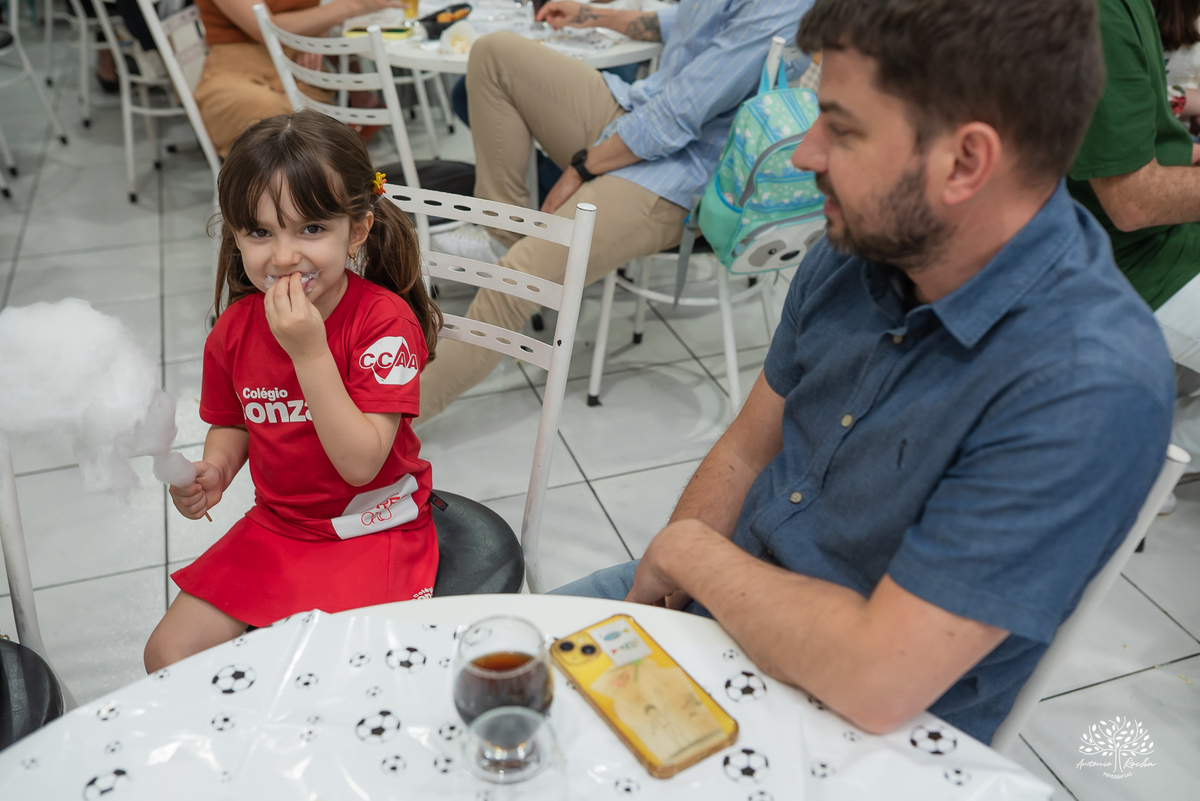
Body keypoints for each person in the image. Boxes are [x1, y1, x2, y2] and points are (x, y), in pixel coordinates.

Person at [552, 0, 1176, 745]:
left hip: (857, 728)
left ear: (965, 161)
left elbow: (878, 678)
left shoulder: (1085, 380)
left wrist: (688, 552)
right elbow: (750, 445)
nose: (804, 153)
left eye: (841, 128)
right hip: (727, 598)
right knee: (473, 676)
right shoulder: (861, 247)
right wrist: (667, 597)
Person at [144, 110, 442, 671]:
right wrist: (216, 470)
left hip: (372, 524)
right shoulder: (235, 327)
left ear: (356, 230)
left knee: (329, 674)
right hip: (280, 525)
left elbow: (360, 464)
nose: (282, 256)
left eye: (311, 229)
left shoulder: (384, 325)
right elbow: (233, 420)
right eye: (260, 232)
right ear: (235, 235)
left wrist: (308, 352)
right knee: (168, 655)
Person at [421, 0, 813, 419]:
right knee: (494, 52)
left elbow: (681, 114)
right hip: (640, 113)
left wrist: (582, 168)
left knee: (510, 283)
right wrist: (593, 14)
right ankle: (506, 235)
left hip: (684, 173)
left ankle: (381, 431)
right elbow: (692, 22)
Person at [1068, 0, 1200, 481]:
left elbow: (1149, 139)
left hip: (1149, 240)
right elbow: (1133, 202)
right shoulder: (1102, 13)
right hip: (1119, 260)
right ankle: (1138, 461)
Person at [192, 0, 402, 156]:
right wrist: (355, 5)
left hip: (298, 66)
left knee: (304, 127)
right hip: (235, 68)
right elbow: (265, 28)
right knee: (268, 119)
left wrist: (316, 31)